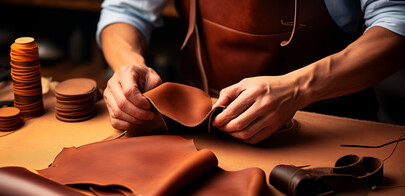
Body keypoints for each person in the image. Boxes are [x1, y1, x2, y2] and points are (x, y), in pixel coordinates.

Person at [96, 0, 405, 144]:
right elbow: (125, 11)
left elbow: (397, 23)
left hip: (325, 128)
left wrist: (298, 88)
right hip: (195, 132)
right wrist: (126, 63)